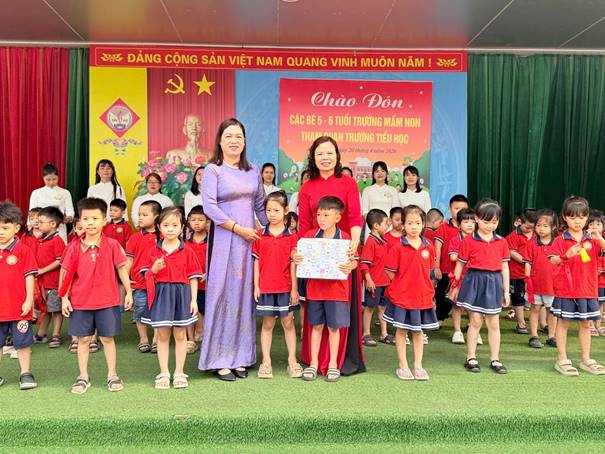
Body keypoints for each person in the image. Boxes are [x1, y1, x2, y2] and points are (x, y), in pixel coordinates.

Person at [198, 118, 268, 381]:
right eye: (228, 136)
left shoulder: (253, 170)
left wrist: (274, 229)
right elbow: (210, 207)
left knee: (243, 296)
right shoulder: (213, 170)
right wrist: (238, 229)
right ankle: (219, 359)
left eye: (238, 136)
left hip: (249, 243)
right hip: (225, 240)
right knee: (223, 294)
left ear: (245, 141)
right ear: (220, 141)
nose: (234, 141)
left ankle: (241, 357)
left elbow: (260, 205)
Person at [297, 135, 365, 377]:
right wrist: (303, 252)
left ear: (337, 156)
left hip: (343, 255)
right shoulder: (307, 187)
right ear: (312, 158)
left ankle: (338, 361)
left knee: (339, 314)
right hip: (317, 259)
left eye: (329, 153)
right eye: (319, 154)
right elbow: (304, 225)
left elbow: (355, 217)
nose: (325, 158)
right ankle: (314, 361)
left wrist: (354, 245)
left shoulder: (348, 183)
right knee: (316, 316)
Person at [60, 198, 133, 394]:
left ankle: (112, 375)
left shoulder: (112, 244)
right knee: (83, 340)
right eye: (86, 219)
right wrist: (64, 298)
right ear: (80, 221)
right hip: (80, 302)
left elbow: (122, 269)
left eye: (95, 218)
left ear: (104, 221)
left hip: (107, 301)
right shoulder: (73, 246)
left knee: (107, 339)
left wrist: (128, 292)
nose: (90, 222)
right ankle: (83, 376)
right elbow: (66, 274)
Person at [298, 196, 358, 382]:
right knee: (316, 326)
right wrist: (296, 257)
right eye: (319, 215)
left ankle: (333, 364)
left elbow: (355, 261)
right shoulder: (310, 236)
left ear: (338, 217)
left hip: (337, 292)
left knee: (334, 328)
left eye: (326, 215)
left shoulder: (345, 238)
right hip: (315, 291)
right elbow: (297, 253)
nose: (321, 219)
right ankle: (313, 363)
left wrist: (350, 266)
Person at [141, 207, 201, 389]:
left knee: (181, 334)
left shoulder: (187, 250)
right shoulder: (153, 251)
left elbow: (193, 277)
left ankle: (179, 372)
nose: (170, 229)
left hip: (182, 295)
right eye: (166, 225)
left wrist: (193, 300)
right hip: (161, 295)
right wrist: (153, 270)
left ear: (182, 227)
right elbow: (145, 275)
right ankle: (164, 372)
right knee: (162, 334)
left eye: (175, 225)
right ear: (159, 227)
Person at [451, 199, 511, 374]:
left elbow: (505, 267)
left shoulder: (501, 241)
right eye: (486, 221)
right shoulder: (468, 241)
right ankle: (471, 357)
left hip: (494, 282)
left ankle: (495, 359)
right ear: (477, 218)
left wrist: (506, 291)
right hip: (474, 281)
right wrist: (454, 286)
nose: (490, 226)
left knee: (494, 322)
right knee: (475, 321)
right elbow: (460, 265)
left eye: (494, 222)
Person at [549, 196, 605, 376]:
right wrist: (567, 255)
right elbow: (553, 260)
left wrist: (599, 238)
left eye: (581, 217)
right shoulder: (560, 240)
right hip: (566, 289)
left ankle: (586, 359)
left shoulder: (593, 239)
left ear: (587, 217)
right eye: (572, 217)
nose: (577, 221)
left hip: (588, 289)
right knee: (563, 323)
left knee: (586, 324)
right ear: (565, 217)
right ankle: (562, 358)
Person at [384, 205, 439, 380]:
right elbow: (390, 272)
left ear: (423, 224)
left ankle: (418, 366)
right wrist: (402, 285)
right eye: (409, 223)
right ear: (403, 224)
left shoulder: (428, 246)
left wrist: (429, 293)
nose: (414, 227)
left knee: (418, 332)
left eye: (417, 223)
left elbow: (429, 272)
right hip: (402, 297)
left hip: (422, 297)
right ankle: (403, 365)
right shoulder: (397, 247)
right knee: (401, 330)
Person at [253, 191, 302, 379]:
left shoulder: (292, 237)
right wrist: (256, 286)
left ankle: (292, 361)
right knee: (267, 324)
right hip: (266, 287)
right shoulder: (259, 235)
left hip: (286, 288)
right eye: (268, 210)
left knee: (288, 323)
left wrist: (294, 289)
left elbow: (293, 264)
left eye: (276, 210)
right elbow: (256, 262)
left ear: (286, 210)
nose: (272, 214)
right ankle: (266, 362)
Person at [0, 201, 38, 390]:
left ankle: (25, 373)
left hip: (19, 307)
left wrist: (29, 300)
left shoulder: (23, 250)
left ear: (16, 228)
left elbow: (29, 276)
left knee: (22, 342)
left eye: (5, 228)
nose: (0, 232)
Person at [125, 200, 162, 354]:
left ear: (156, 217)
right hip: (139, 282)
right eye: (139, 214)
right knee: (140, 310)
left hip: (160, 282)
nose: (140, 217)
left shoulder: (164, 236)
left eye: (145, 215)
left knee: (159, 310)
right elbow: (129, 259)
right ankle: (143, 339)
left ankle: (157, 339)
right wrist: (125, 278)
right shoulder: (134, 237)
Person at [524, 209, 558, 349]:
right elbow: (527, 263)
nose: (541, 229)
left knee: (552, 311)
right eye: (538, 225)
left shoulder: (557, 243)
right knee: (535, 309)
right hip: (535, 283)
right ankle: (534, 335)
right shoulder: (531, 243)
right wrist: (527, 280)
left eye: (545, 226)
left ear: (553, 227)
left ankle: (552, 336)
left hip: (553, 285)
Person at [33, 207, 65, 348]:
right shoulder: (41, 239)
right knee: (45, 309)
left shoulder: (57, 240)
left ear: (52, 224)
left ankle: (56, 335)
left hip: (54, 282)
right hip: (42, 282)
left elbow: (60, 261)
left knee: (56, 310)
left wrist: (42, 270)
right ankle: (41, 334)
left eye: (41, 222)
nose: (38, 224)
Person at [434, 195, 470, 322]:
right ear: (449, 210)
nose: (460, 211)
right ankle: (439, 319)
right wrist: (436, 267)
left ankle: (471, 323)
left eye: (463, 209)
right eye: (457, 208)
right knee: (442, 296)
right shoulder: (443, 228)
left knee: (467, 297)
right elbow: (437, 248)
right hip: (446, 270)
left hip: (465, 272)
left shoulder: (471, 229)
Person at [447, 208, 480, 345]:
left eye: (472, 221)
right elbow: (453, 257)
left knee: (474, 307)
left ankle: (474, 330)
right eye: (466, 221)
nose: (470, 224)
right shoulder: (455, 240)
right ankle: (457, 331)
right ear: (459, 224)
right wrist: (468, 256)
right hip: (458, 278)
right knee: (456, 305)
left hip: (475, 279)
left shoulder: (479, 239)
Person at [360, 209, 391, 347]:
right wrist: (368, 279)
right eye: (385, 223)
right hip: (374, 282)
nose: (388, 225)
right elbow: (364, 263)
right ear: (376, 226)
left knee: (383, 307)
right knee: (369, 308)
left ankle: (384, 334)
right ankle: (366, 334)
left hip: (384, 281)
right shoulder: (371, 242)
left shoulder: (383, 241)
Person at [506, 209, 537, 335]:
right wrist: (526, 261)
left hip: (534, 273)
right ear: (520, 222)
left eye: (532, 228)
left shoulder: (537, 235)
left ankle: (542, 323)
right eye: (527, 227)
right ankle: (521, 323)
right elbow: (511, 252)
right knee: (518, 298)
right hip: (517, 273)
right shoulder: (514, 235)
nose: (529, 230)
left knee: (537, 299)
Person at [29, 163, 74, 241]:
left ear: (58, 177)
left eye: (54, 179)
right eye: (48, 180)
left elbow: (70, 211)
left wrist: (68, 218)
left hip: (58, 227)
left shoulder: (65, 192)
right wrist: (31, 225)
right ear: (43, 178)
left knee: (59, 246)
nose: (51, 182)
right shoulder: (36, 193)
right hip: (40, 227)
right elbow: (31, 213)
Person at [185, 205, 208, 352]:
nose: (197, 223)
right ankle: (191, 340)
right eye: (193, 220)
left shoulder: (213, 242)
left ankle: (205, 337)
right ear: (189, 222)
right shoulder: (185, 243)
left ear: (207, 222)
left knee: (207, 310)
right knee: (191, 311)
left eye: (200, 220)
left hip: (207, 284)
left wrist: (209, 273)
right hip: (190, 284)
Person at [361, 162, 398, 240]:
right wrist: (373, 224)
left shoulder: (393, 190)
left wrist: (388, 223)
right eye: (377, 171)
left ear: (387, 174)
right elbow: (364, 210)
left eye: (382, 171)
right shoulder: (367, 190)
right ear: (373, 175)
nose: (380, 173)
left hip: (388, 226)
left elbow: (395, 210)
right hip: (372, 227)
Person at [587, 209, 605, 336]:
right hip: (589, 279)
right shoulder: (585, 239)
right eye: (591, 224)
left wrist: (599, 238)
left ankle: (598, 324)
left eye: (598, 224)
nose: (594, 226)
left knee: (601, 302)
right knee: (590, 302)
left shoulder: (602, 240)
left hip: (602, 279)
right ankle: (590, 325)